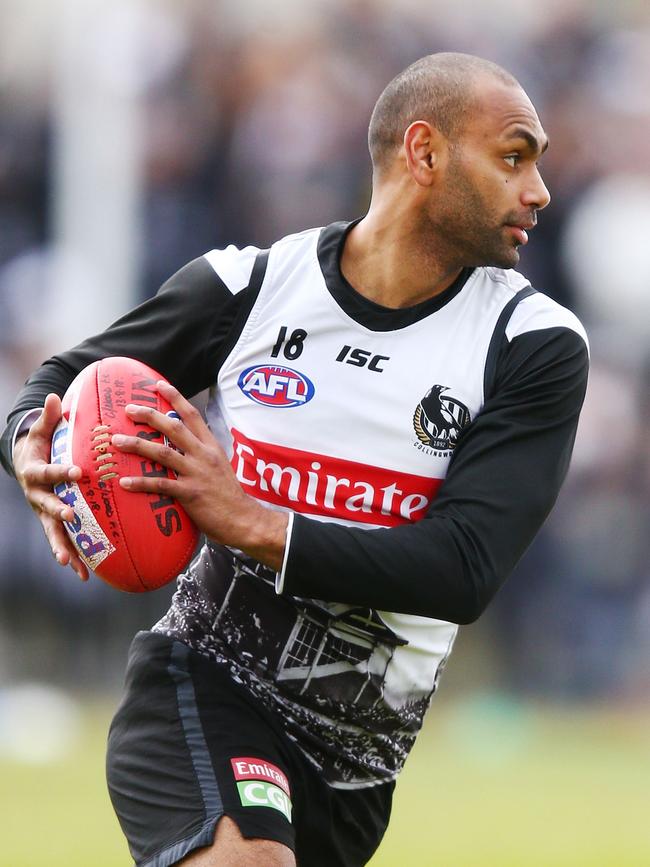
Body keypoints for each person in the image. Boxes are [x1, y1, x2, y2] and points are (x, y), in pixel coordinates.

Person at [1, 52, 589, 867]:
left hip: (356, 773)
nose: (539, 192)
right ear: (423, 153)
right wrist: (29, 440)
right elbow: (59, 383)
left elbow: (462, 570)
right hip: (203, 684)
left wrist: (250, 519)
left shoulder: (532, 345)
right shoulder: (252, 286)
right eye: (514, 156)